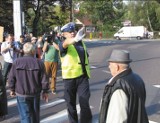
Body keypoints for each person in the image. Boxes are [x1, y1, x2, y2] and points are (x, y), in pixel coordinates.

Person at [99, 49, 149, 123]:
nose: (109, 67)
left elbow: (117, 119)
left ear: (117, 67)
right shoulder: (137, 78)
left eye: (110, 64)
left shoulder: (118, 87)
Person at [59, 22, 92, 123]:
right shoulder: (63, 43)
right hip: (69, 79)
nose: (72, 33)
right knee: (71, 105)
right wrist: (74, 39)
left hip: (82, 77)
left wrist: (77, 40)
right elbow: (65, 44)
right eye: (69, 32)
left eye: (73, 31)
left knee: (84, 102)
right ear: (64, 34)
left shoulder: (81, 43)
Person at [8, 42, 49, 123]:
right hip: (34, 93)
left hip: (21, 93)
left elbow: (11, 78)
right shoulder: (39, 62)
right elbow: (44, 79)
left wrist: (12, 89)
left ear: (23, 50)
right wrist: (45, 91)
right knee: (34, 116)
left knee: (25, 116)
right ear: (33, 51)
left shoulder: (17, 62)